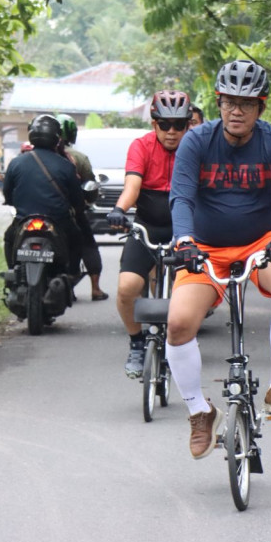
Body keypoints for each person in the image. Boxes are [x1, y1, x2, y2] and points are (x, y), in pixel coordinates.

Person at [167, 59, 271, 460]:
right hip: (205, 246)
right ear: (219, 103)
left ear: (260, 106)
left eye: (246, 103)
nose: (237, 111)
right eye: (229, 102)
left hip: (259, 242)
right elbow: (182, 195)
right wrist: (184, 240)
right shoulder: (197, 141)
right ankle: (198, 412)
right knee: (177, 325)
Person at [107, 90, 194, 378]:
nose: (171, 132)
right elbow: (132, 188)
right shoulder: (141, 146)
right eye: (164, 124)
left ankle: (176, 344)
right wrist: (120, 210)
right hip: (147, 226)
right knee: (127, 288)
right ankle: (136, 342)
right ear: (153, 123)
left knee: (184, 296)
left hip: (184, 229)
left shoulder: (195, 147)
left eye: (179, 125)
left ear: (188, 125)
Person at [1, 115, 85, 276]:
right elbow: (77, 199)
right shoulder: (66, 166)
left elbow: (7, 193)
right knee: (77, 238)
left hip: (24, 220)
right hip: (58, 221)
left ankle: (12, 272)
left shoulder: (16, 163)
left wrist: (13, 202)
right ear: (57, 138)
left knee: (9, 237)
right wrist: (78, 207)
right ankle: (71, 274)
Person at [55, 114, 108, 301]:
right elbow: (90, 186)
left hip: (41, 212)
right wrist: (86, 202)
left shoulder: (31, 156)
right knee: (88, 244)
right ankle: (95, 288)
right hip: (72, 213)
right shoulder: (78, 158)